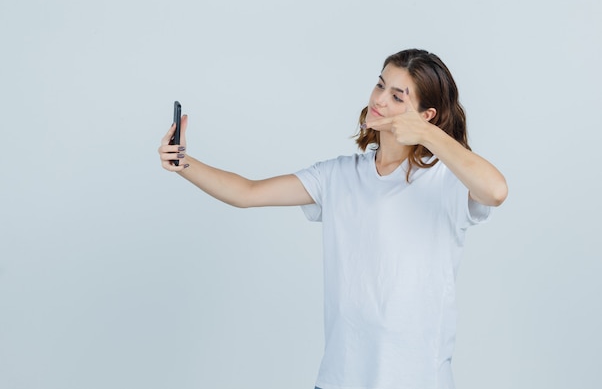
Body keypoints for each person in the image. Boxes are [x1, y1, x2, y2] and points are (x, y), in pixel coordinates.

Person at [158, 48, 508, 389]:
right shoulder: (338, 176)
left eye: (398, 97)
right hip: (341, 378)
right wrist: (183, 163)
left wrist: (428, 136)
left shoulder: (445, 180)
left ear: (425, 115)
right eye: (380, 84)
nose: (380, 99)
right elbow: (247, 193)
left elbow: (495, 191)